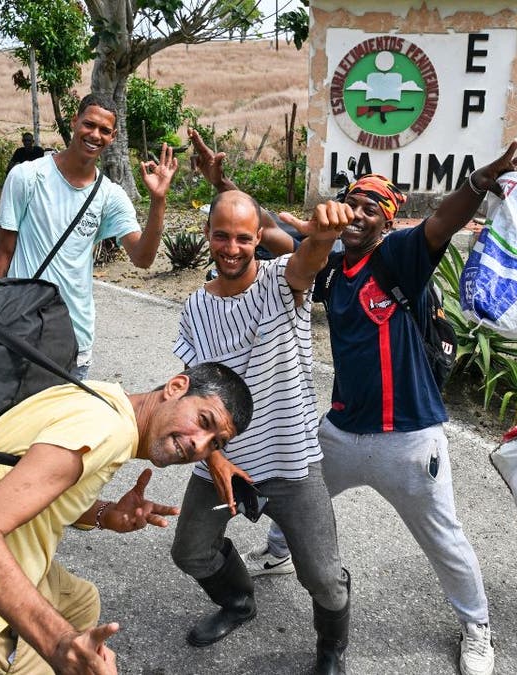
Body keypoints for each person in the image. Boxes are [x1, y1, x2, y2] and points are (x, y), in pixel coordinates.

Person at [190, 129, 517, 675]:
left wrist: (478, 183)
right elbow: (271, 230)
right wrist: (221, 182)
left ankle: (477, 625)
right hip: (344, 431)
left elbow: (442, 221)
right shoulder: (329, 267)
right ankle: (280, 552)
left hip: (409, 438)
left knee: (443, 537)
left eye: (371, 207)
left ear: (389, 221)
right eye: (351, 202)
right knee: (299, 493)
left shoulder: (400, 257)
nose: (357, 213)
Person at [0, 362, 254, 675]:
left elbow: (33, 484)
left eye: (214, 445)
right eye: (203, 421)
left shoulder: (101, 398)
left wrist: (104, 514)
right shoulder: (106, 432)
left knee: (78, 600)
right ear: (175, 387)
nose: (199, 445)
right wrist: (58, 644)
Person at [170, 191, 352, 673]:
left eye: (244, 238)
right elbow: (194, 401)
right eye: (222, 236)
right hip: (224, 464)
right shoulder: (195, 308)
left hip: (290, 461)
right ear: (208, 235)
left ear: (259, 240)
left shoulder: (280, 281)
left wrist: (323, 237)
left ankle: (331, 649)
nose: (231, 248)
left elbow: (307, 261)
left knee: (324, 578)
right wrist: (215, 459)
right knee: (189, 551)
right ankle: (238, 603)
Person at [0, 94, 177, 379]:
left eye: (104, 130)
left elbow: (142, 258)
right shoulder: (27, 177)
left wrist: (158, 200)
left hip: (74, 338)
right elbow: (4, 251)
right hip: (20, 330)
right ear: (74, 122)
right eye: (89, 124)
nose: (95, 135)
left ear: (113, 137)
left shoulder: (110, 195)